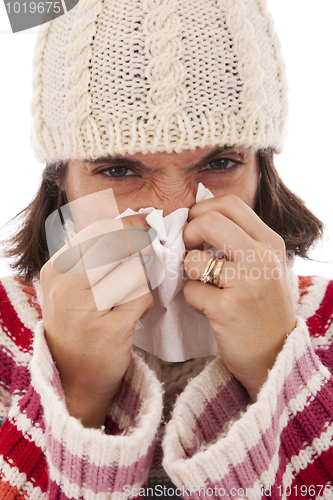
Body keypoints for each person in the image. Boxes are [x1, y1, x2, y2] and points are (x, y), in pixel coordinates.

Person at [0, 0, 333, 499]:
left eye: (219, 162)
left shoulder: (323, 323)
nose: (173, 211)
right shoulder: (8, 334)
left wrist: (277, 365)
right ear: (60, 182)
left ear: (263, 171)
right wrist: (76, 391)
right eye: (119, 170)